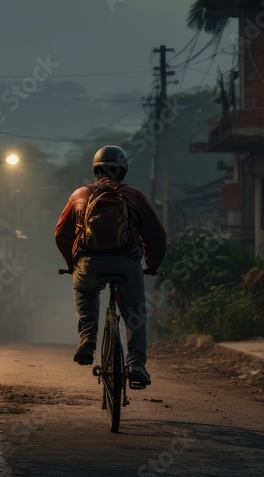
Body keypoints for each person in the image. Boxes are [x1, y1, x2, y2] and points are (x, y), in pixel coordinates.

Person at [54, 145, 167, 386]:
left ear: (95, 169)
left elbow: (61, 234)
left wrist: (72, 262)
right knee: (135, 313)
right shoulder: (134, 195)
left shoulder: (79, 195)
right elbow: (157, 236)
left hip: (89, 263)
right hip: (128, 264)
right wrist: (152, 264)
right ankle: (136, 364)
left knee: (85, 291)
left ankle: (87, 341)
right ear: (123, 170)